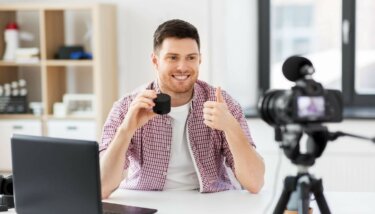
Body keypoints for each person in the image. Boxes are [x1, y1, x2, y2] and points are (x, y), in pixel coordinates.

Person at [99, 19, 265, 199]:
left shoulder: (222, 104)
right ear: (155, 61)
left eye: (191, 58)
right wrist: (126, 129)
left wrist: (231, 127)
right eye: (173, 57)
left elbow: (255, 183)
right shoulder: (127, 107)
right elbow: (102, 187)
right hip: (147, 201)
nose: (182, 67)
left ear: (200, 59)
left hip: (212, 203)